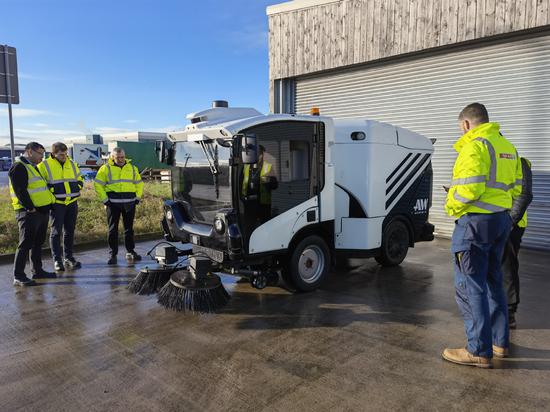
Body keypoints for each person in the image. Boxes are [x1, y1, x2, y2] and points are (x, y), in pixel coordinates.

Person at [443, 103, 522, 368]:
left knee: (470, 287)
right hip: (501, 220)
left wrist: (451, 205)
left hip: (475, 225)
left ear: (466, 124)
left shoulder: (475, 146)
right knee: (494, 282)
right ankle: (500, 343)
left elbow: (469, 189)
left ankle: (478, 350)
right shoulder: (507, 147)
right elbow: (516, 186)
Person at [8, 142, 56, 286]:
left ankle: (37, 270)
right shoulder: (19, 167)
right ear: (29, 151)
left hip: (41, 211)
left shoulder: (32, 167)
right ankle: (19, 276)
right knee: (25, 243)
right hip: (28, 213)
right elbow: (20, 190)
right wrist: (30, 208)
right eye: (40, 153)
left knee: (37, 243)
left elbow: (39, 188)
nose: (42, 156)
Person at [38, 142, 84, 272]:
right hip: (57, 204)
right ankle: (57, 260)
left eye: (65, 154)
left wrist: (79, 186)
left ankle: (68, 258)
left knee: (69, 231)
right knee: (56, 232)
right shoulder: (44, 165)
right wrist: (52, 194)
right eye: (61, 154)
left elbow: (80, 179)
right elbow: (40, 185)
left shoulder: (72, 163)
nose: (64, 156)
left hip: (72, 203)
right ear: (53, 154)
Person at [94, 148, 143, 264]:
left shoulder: (132, 168)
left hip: (130, 203)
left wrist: (138, 198)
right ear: (112, 157)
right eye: (118, 157)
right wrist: (105, 200)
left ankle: (130, 252)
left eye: (122, 157)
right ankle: (113, 255)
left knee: (129, 229)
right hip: (113, 204)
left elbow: (139, 184)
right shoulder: (105, 169)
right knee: (112, 230)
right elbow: (98, 184)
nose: (120, 160)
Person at [502, 157, 533, 329]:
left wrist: (510, 221)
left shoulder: (520, 163)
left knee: (507, 269)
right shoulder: (492, 162)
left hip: (511, 225)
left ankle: (509, 313)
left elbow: (525, 194)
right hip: (494, 222)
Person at [241, 145, 277, 224]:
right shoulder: (246, 166)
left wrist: (269, 181)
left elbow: (275, 186)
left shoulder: (268, 167)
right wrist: (242, 199)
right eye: (257, 154)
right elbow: (240, 183)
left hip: (263, 205)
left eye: (261, 154)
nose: (260, 156)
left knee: (265, 228)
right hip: (249, 205)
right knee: (249, 227)